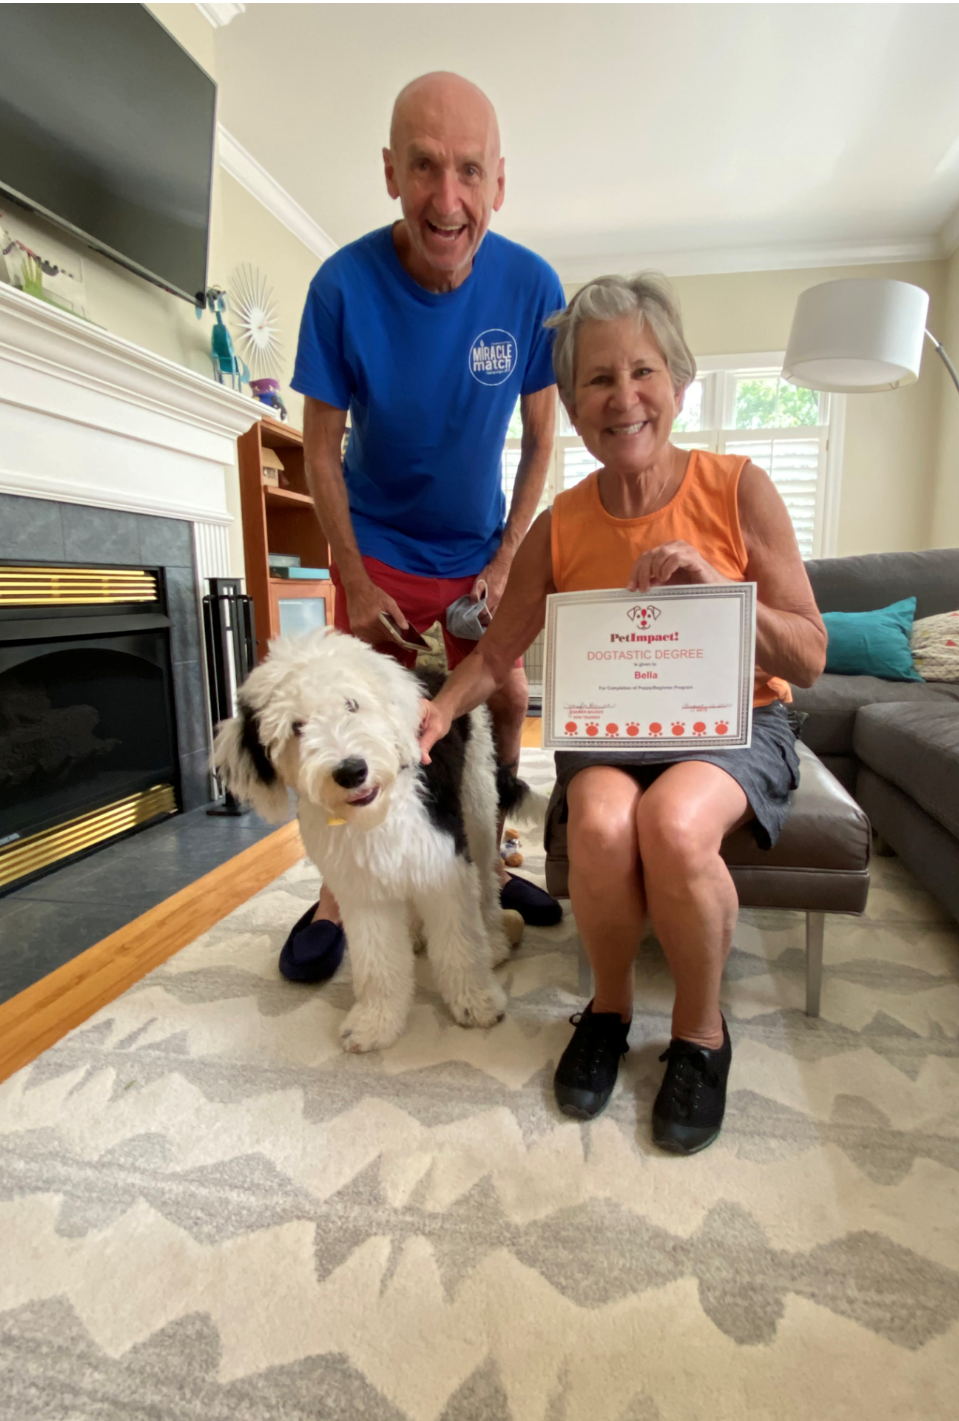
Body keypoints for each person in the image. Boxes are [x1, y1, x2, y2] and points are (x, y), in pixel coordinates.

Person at [418, 273, 826, 1155]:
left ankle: (699, 1034)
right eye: (597, 379)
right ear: (571, 404)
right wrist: (434, 716)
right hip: (615, 729)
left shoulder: (737, 487)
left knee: (676, 824)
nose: (623, 396)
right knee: (602, 824)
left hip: (736, 725)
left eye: (642, 371)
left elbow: (810, 654)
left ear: (677, 383)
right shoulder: (560, 525)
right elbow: (495, 653)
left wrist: (724, 591)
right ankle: (606, 1011)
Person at [282, 72, 566, 982]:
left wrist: (507, 552)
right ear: (391, 172)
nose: (449, 199)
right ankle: (341, 890)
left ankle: (491, 857)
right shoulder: (341, 286)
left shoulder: (530, 288)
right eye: (426, 168)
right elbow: (319, 450)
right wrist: (355, 580)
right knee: (366, 722)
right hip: (378, 548)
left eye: (470, 172)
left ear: (499, 184)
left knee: (506, 698)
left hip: (478, 549)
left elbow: (542, 437)